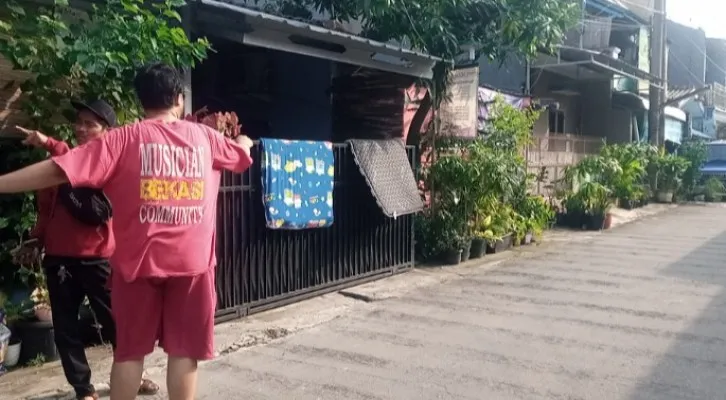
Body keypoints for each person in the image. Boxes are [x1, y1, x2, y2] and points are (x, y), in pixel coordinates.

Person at [0, 63, 253, 400]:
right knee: (183, 352)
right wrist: (245, 140)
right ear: (179, 98)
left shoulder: (122, 139)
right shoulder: (206, 138)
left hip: (137, 266)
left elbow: (57, 170)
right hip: (192, 265)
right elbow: (241, 155)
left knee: (130, 353)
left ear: (141, 100)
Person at [13, 100, 159, 400]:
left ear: (107, 131)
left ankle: (134, 373)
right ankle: (84, 391)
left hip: (100, 258)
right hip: (60, 260)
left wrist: (48, 141)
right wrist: (37, 238)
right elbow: (46, 208)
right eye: (78, 122)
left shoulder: (115, 162)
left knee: (118, 322)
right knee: (66, 329)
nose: (81, 128)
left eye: (90, 124)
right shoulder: (58, 168)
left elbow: (74, 159)